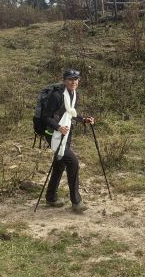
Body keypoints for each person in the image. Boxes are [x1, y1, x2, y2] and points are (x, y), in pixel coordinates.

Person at [42, 69, 95, 213]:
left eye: (76, 79)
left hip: (66, 133)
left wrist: (83, 119)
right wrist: (58, 127)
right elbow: (45, 116)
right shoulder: (57, 95)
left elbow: (70, 113)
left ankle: (51, 198)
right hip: (53, 134)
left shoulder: (73, 94)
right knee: (73, 162)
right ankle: (76, 202)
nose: (74, 82)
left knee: (59, 165)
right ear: (65, 80)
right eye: (71, 79)